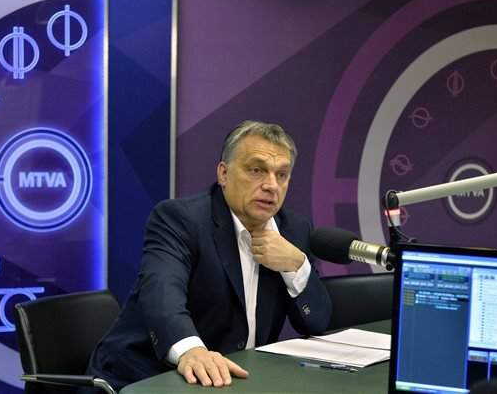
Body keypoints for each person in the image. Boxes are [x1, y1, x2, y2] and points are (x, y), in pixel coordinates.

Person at [85, 120, 332, 391]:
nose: (271, 185)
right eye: (256, 170)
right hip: (147, 378)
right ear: (223, 174)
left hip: (232, 384)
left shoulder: (293, 230)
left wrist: (296, 266)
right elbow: (162, 294)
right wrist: (191, 351)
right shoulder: (180, 219)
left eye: (282, 175)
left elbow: (316, 322)